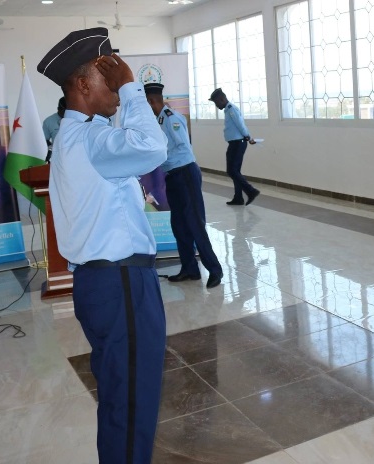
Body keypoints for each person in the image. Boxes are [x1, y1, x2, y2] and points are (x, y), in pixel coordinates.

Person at [37, 28, 168, 464]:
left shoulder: (73, 138)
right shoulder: (91, 141)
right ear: (83, 85)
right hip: (121, 284)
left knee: (120, 400)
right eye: (107, 74)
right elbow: (153, 147)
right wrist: (131, 88)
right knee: (131, 404)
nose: (114, 85)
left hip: (102, 284)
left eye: (116, 75)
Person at [145, 82, 223, 288]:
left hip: (185, 173)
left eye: (147, 103)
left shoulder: (172, 119)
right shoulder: (159, 120)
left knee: (194, 223)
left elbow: (182, 146)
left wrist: (157, 157)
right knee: (178, 225)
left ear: (153, 101)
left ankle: (215, 270)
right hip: (172, 176)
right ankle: (189, 269)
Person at [208, 88, 260, 206]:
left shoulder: (231, 109)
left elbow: (240, 124)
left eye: (216, 103)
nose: (216, 105)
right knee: (235, 171)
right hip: (235, 143)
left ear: (222, 99)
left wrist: (248, 137)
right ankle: (238, 198)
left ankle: (251, 191)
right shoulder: (228, 110)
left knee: (231, 171)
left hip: (238, 143)